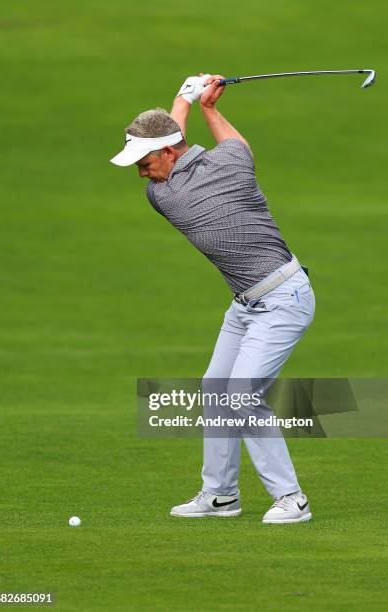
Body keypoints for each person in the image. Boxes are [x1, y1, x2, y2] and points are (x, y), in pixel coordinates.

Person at [110, 74, 315, 523]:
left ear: (167, 153)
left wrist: (186, 99)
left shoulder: (168, 193)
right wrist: (206, 107)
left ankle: (292, 500)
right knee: (215, 389)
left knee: (240, 395)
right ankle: (221, 495)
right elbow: (223, 143)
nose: (141, 173)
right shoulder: (231, 162)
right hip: (247, 304)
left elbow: (173, 134)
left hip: (283, 299)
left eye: (144, 161)